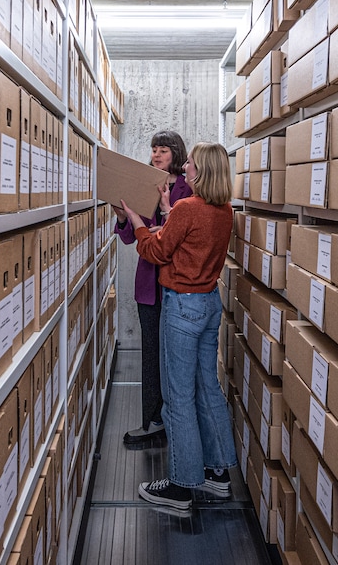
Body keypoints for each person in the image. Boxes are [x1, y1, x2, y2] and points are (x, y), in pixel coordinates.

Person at [120, 142, 236, 511]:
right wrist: (169, 210)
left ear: (202, 171)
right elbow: (191, 240)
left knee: (178, 398)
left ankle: (181, 486)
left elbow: (156, 252)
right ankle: (218, 475)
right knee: (208, 388)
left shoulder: (188, 209)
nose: (185, 167)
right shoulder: (224, 211)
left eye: (190, 163)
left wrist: (138, 222)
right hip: (208, 304)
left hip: (182, 307)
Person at [112, 130, 192, 448]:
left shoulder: (189, 188)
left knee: (174, 358)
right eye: (154, 149)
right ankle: (153, 421)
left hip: (179, 285)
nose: (157, 155)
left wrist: (168, 229)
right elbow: (132, 237)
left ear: (176, 153)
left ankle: (175, 421)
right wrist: (123, 218)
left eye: (163, 150)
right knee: (151, 355)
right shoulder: (145, 184)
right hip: (150, 287)